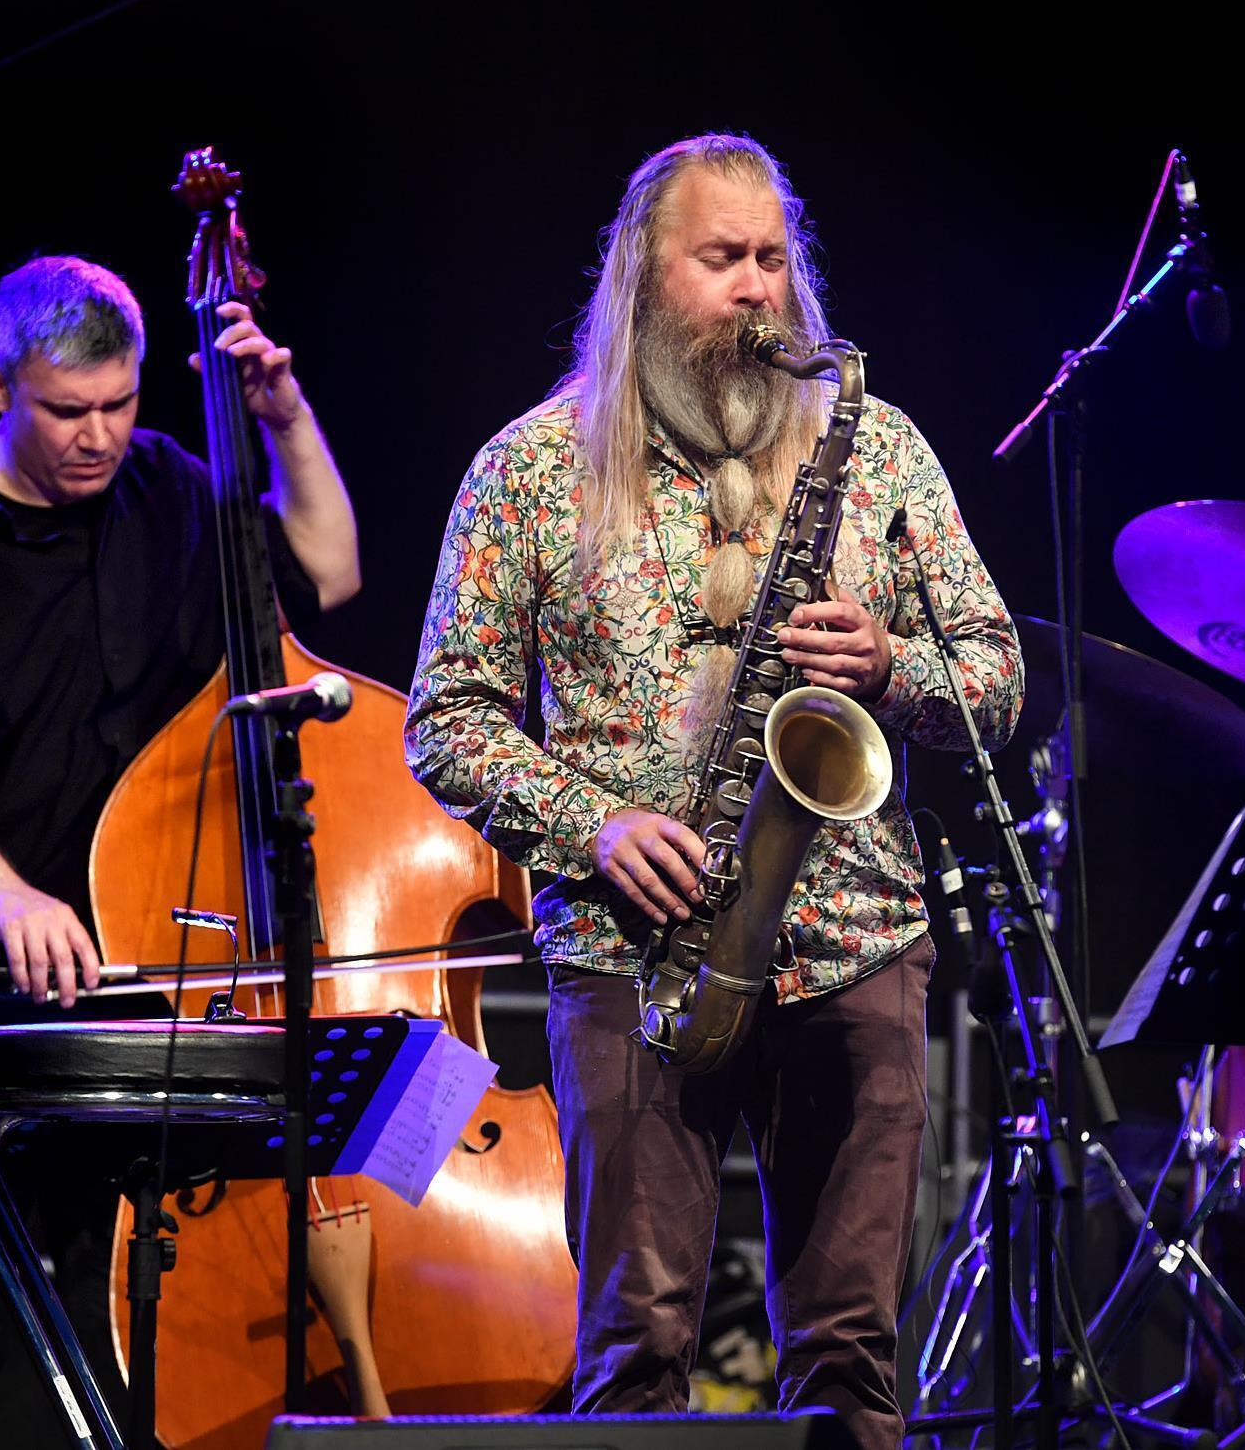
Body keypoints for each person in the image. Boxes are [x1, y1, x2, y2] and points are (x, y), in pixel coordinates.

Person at [406, 134, 1020, 1450]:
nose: (758, 290)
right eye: (722, 259)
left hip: (854, 939)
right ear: (643, 273)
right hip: (636, 951)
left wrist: (893, 665)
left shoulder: (881, 449)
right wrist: (598, 822)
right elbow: (445, 719)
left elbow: (997, 678)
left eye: (773, 259)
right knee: (636, 1342)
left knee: (851, 1349)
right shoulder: (527, 468)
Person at [0, 254, 359, 1444]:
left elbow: (331, 568)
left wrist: (285, 419)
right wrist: (4, 893)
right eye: (66, 412)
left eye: (120, 403)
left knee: (114, 1301)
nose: (99, 436)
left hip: (148, 971)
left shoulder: (163, 485)